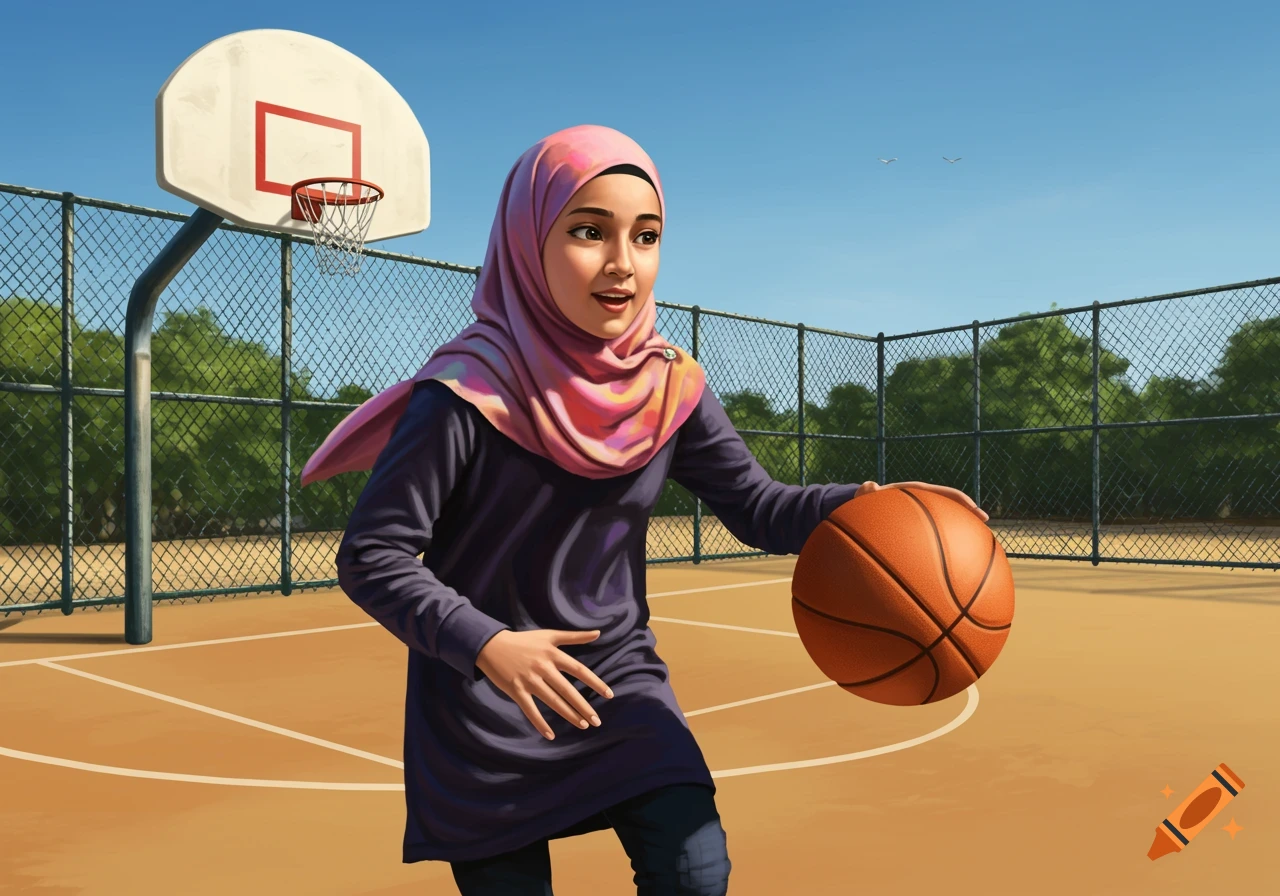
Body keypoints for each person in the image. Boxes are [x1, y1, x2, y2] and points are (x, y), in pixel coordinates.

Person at [299, 124, 986, 896]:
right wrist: (489, 645)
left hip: (620, 684)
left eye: (646, 235)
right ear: (528, 241)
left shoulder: (668, 385)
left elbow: (758, 506)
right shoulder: (464, 393)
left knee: (696, 871)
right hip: (487, 700)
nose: (623, 262)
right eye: (588, 231)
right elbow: (374, 554)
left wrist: (866, 504)